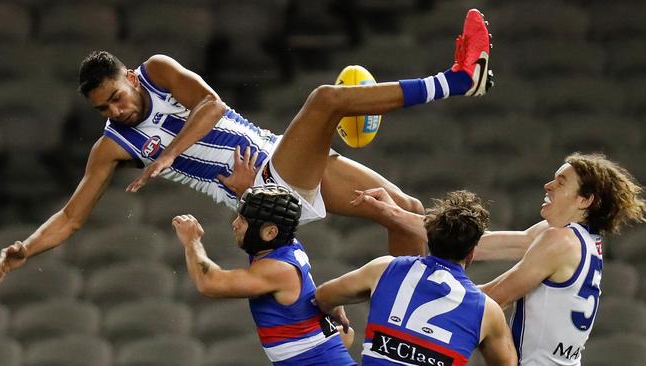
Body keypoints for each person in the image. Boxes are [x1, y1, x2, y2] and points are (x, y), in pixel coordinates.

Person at [0, 8, 493, 285]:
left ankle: (403, 316)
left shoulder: (159, 70)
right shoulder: (113, 145)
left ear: (129, 77)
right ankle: (459, 80)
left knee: (404, 210)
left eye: (116, 99)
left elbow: (210, 104)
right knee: (325, 100)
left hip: (281, 157)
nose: (115, 113)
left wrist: (168, 154)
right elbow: (72, 216)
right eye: (103, 110)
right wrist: (25, 247)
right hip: (263, 187)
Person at [349, 153, 646, 365]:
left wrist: (414, 300)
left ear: (585, 200)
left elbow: (494, 299)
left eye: (561, 181)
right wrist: (394, 214)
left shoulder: (561, 240)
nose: (548, 186)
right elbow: (482, 243)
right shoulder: (577, 238)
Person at [315, 190, 517, 366]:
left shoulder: (384, 268)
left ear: (429, 239)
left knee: (339, 339)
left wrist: (336, 306)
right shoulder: (488, 311)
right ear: (472, 253)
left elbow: (322, 296)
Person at [172, 184, 356, 365]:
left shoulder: (277, 268)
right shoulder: (286, 244)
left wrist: (192, 241)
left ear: (270, 232)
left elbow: (209, 283)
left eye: (242, 221)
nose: (234, 224)